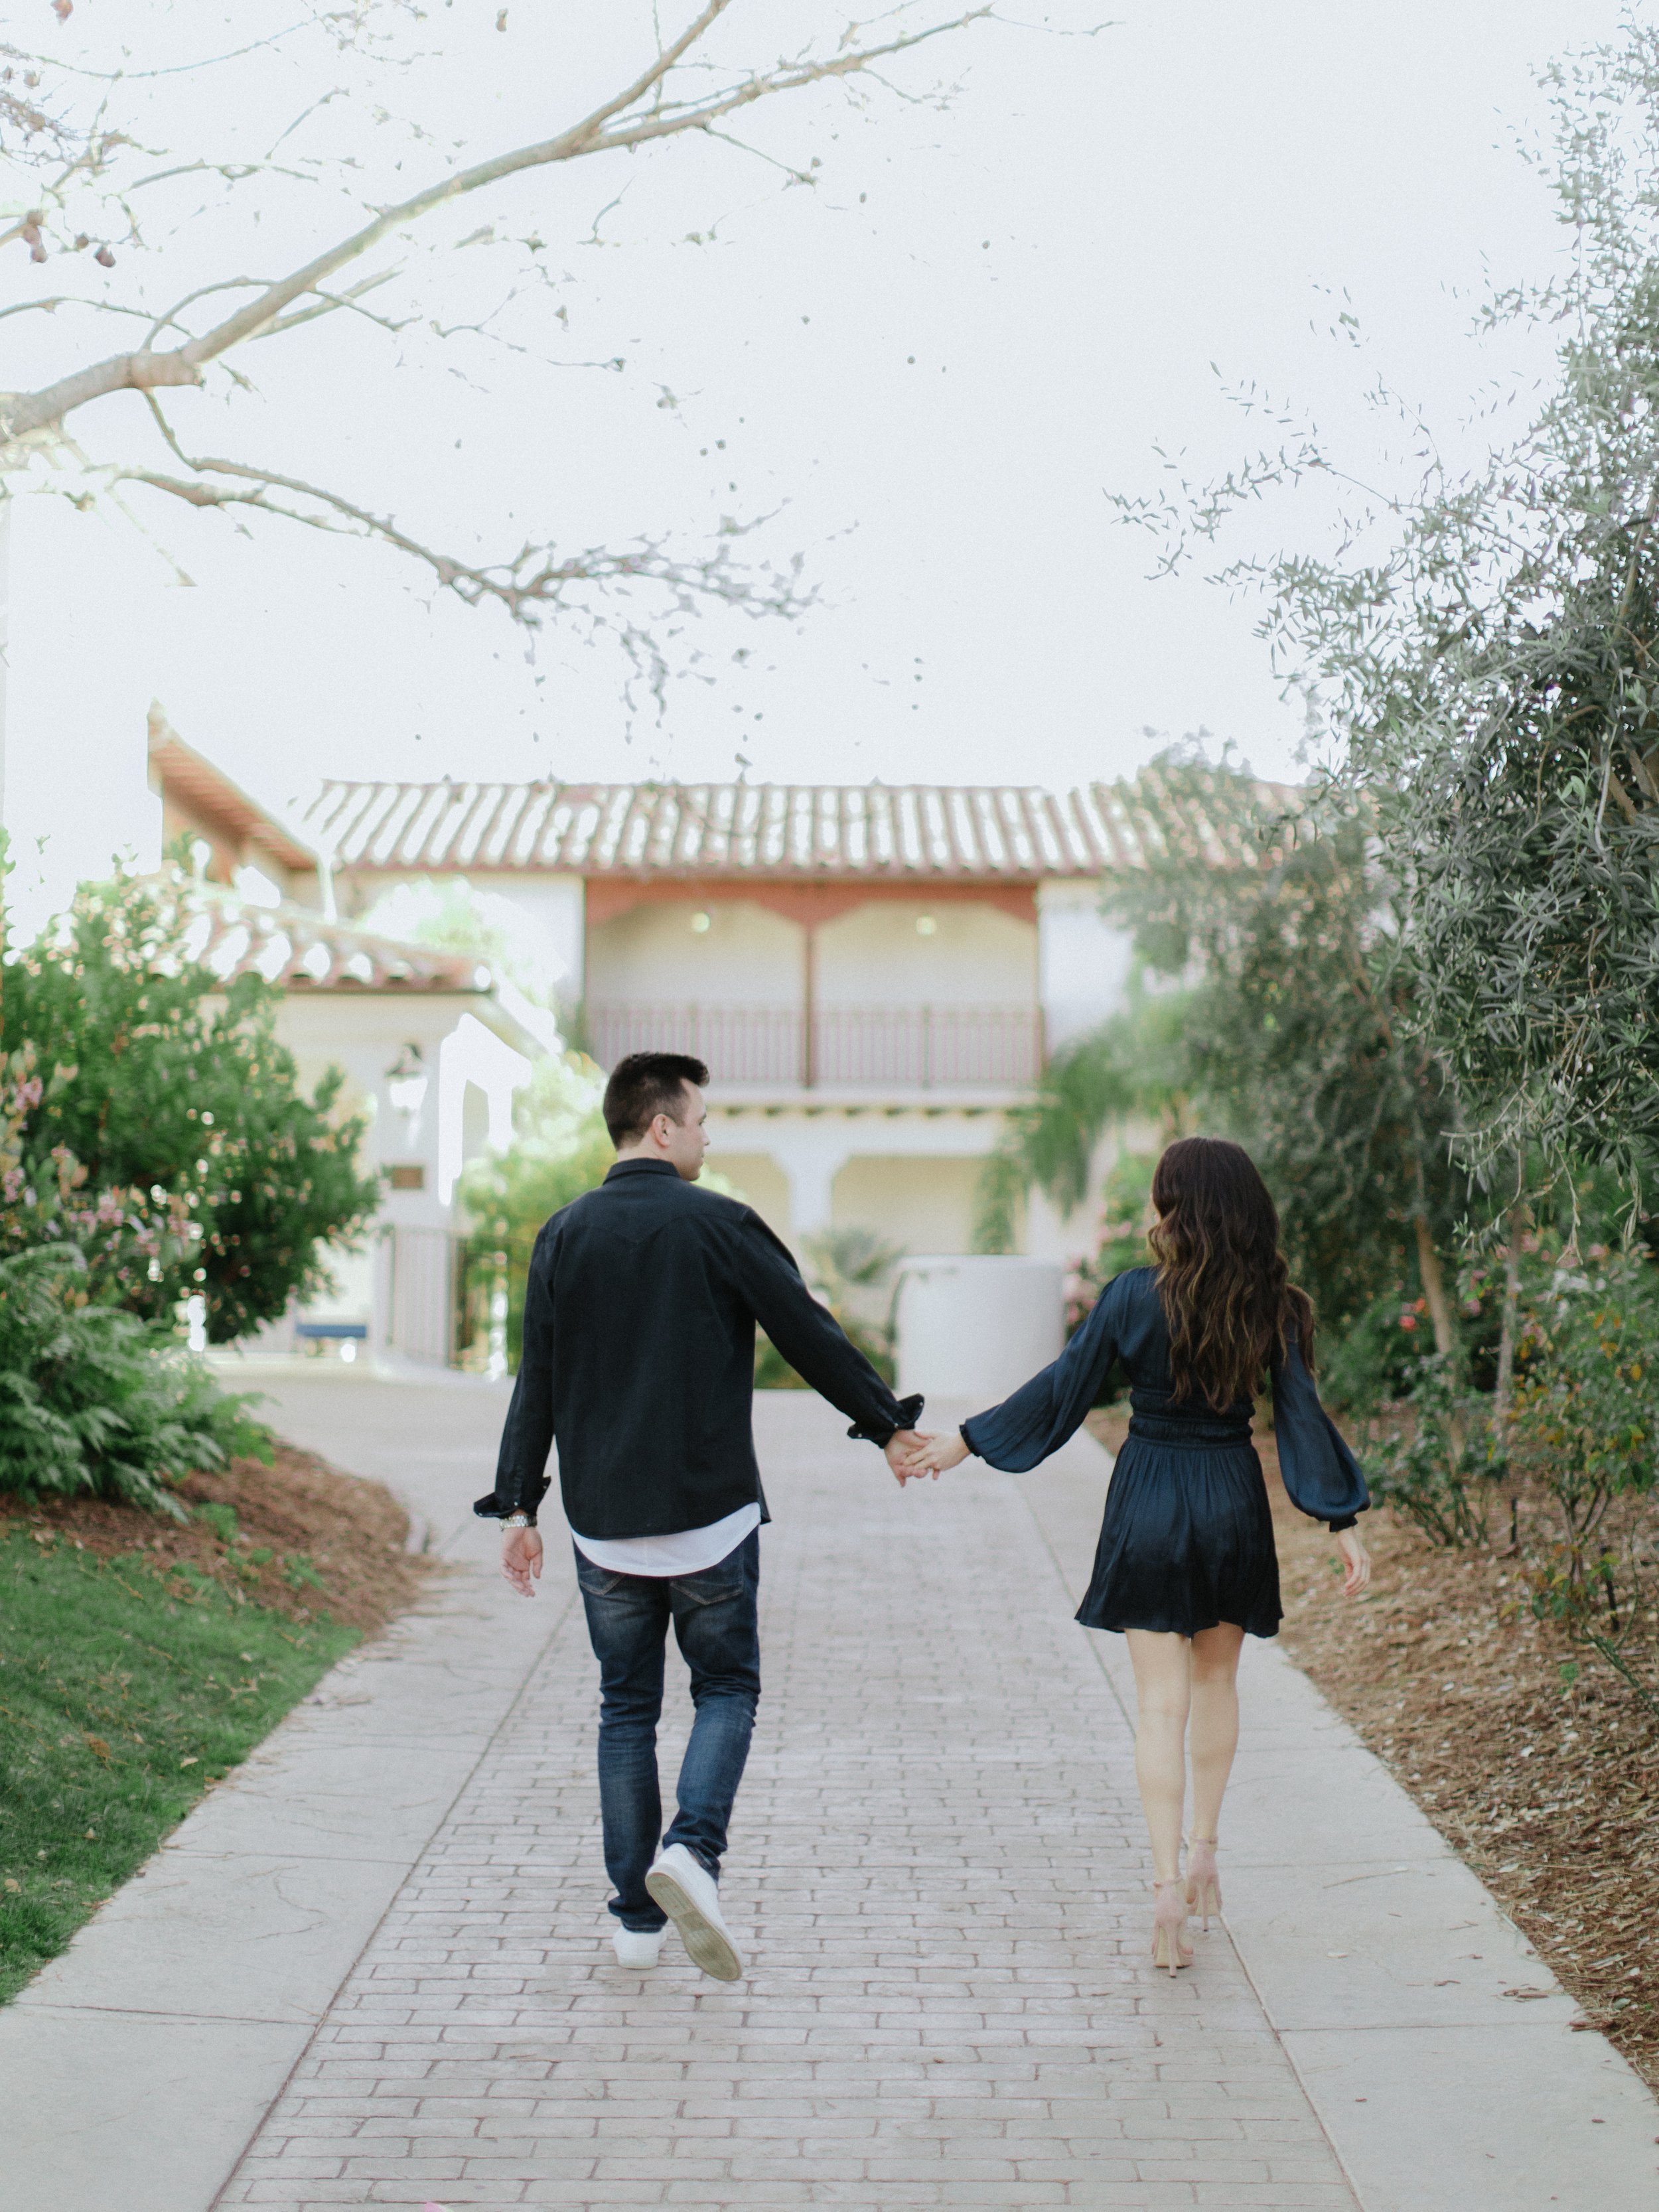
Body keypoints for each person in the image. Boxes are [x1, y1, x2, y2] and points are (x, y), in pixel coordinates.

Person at [477, 1050, 927, 1982]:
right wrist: (884, 1423)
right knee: (726, 1689)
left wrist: (521, 1501)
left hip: (604, 1526)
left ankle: (636, 1924)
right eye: (702, 1118)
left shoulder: (562, 1234)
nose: (709, 1134)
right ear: (661, 1126)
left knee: (625, 1709)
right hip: (709, 1519)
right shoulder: (722, 1224)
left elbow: (540, 1379)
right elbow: (808, 1331)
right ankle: (693, 1848)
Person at [901, 1135, 1370, 1974]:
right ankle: (1204, 1853)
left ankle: (1161, 1891)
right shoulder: (1277, 1304)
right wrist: (1342, 1521)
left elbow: (1061, 1389)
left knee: (1159, 1706)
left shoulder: (1127, 1297)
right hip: (1229, 1493)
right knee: (1217, 1680)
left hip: (1148, 1491)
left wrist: (966, 1443)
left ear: (1174, 1206)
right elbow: (1301, 1418)